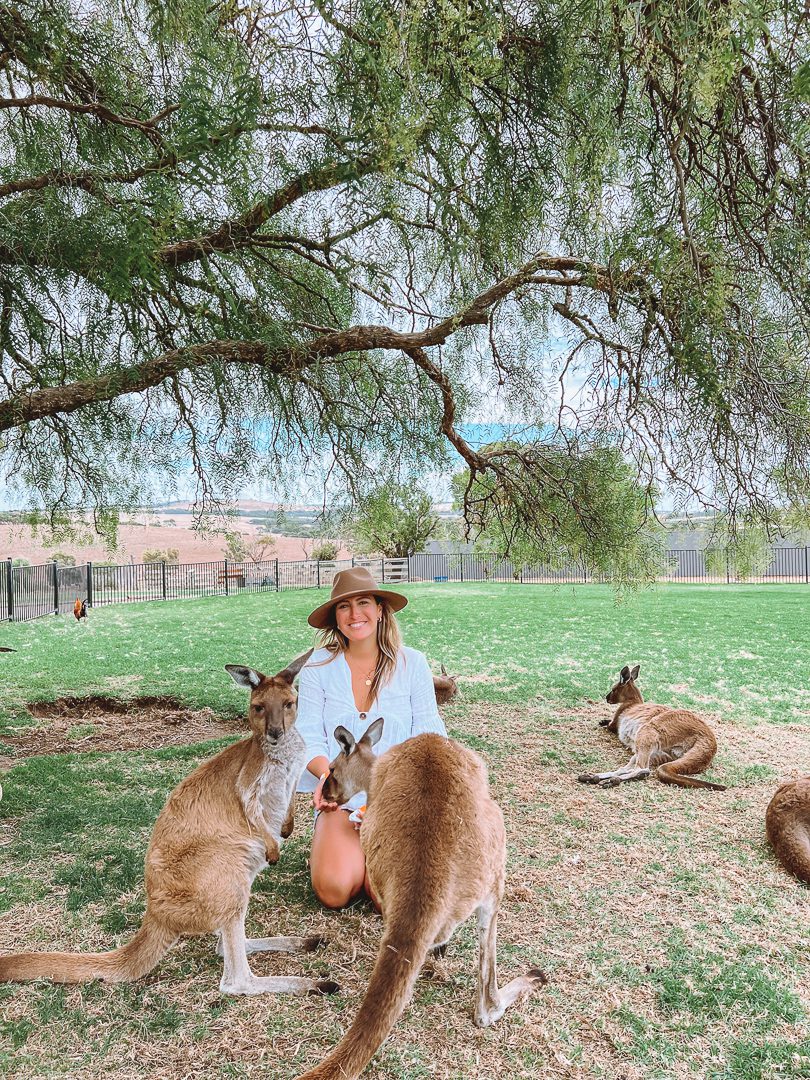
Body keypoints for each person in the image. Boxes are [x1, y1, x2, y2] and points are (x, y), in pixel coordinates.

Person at [296, 567, 447, 908]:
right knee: (334, 890)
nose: (354, 614)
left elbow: (430, 734)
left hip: (395, 799)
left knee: (388, 897)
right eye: (343, 606)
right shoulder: (318, 667)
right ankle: (346, 850)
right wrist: (325, 776)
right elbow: (307, 734)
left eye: (363, 602)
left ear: (380, 610)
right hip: (341, 796)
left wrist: (395, 795)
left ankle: (375, 855)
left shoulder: (413, 664)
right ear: (335, 618)